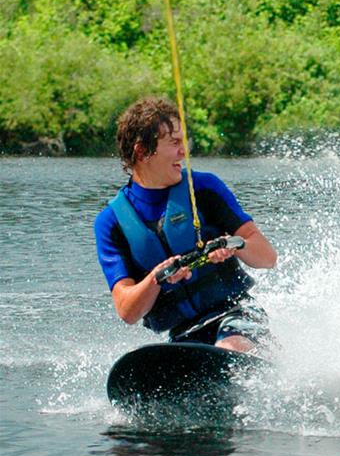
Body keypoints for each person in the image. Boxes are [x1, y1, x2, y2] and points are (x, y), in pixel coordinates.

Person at [94, 97, 277, 353]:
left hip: (240, 314)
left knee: (229, 347)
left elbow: (267, 257)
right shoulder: (111, 223)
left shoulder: (205, 189)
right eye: (174, 143)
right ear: (142, 151)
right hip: (185, 335)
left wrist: (232, 245)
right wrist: (156, 278)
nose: (184, 151)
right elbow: (127, 311)